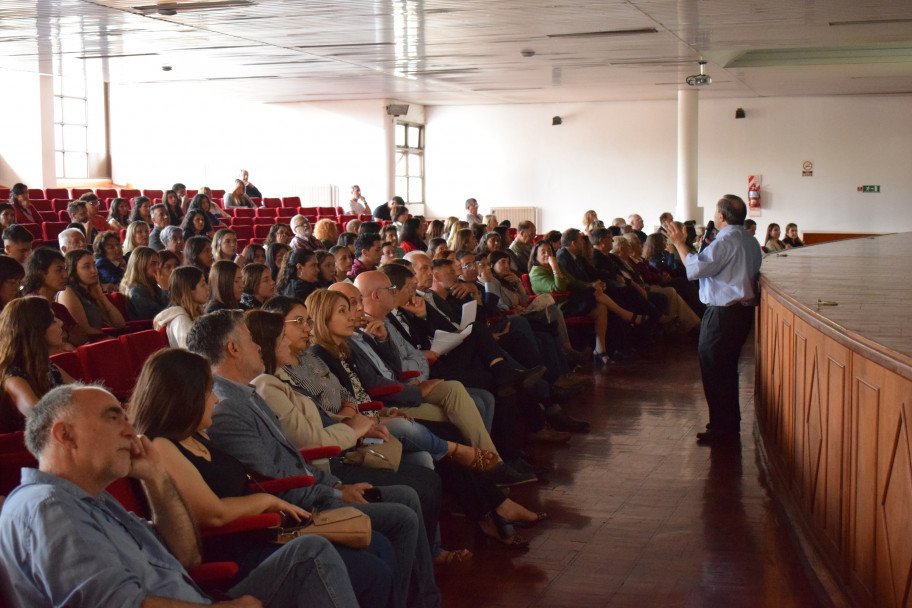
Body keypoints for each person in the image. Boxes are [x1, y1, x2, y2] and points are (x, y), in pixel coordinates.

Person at [0, 383, 362, 607]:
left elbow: (187, 558)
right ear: (65, 436)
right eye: (114, 418)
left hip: (195, 597)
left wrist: (156, 478)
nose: (131, 430)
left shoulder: (95, 499)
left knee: (308, 552)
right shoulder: (47, 507)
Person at [186, 310, 443, 608]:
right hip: (292, 512)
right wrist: (333, 491)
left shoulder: (246, 394)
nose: (258, 347)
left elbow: (292, 459)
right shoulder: (228, 408)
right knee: (395, 525)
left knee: (401, 514)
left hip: (310, 490)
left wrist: (335, 486)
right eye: (249, 340)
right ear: (233, 349)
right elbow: (276, 479)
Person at [129, 348, 394, 607]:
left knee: (376, 549)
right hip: (236, 557)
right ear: (185, 397)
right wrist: (268, 501)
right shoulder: (162, 446)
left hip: (262, 533)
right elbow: (214, 514)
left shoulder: (196, 435)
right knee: (368, 570)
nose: (216, 400)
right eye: (208, 392)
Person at [663, 194, 762, 443]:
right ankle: (727, 425)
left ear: (721, 216)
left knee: (715, 370)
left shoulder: (726, 240)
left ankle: (721, 428)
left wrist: (679, 243)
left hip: (723, 314)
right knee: (726, 370)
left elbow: (694, 269)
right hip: (741, 313)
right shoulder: (749, 240)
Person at [0, 297, 74, 432]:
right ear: (37, 331)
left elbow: (80, 391)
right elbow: (40, 418)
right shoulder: (12, 378)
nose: (61, 323)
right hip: (35, 448)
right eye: (52, 321)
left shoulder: (46, 365)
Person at [57, 249, 126, 337]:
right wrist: (112, 341)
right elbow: (84, 330)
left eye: (94, 265)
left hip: (99, 341)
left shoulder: (91, 292)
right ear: (73, 270)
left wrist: (101, 297)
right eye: (86, 267)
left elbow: (119, 324)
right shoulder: (67, 292)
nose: (94, 270)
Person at [154, 265, 209, 348]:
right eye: (203, 284)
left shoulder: (196, 313)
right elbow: (192, 353)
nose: (208, 288)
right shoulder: (181, 321)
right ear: (189, 290)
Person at [121, 246, 169, 320]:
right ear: (140, 267)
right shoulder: (136, 290)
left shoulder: (151, 285)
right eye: (153, 264)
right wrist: (165, 288)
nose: (157, 268)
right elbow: (162, 314)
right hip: (147, 328)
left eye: (158, 264)